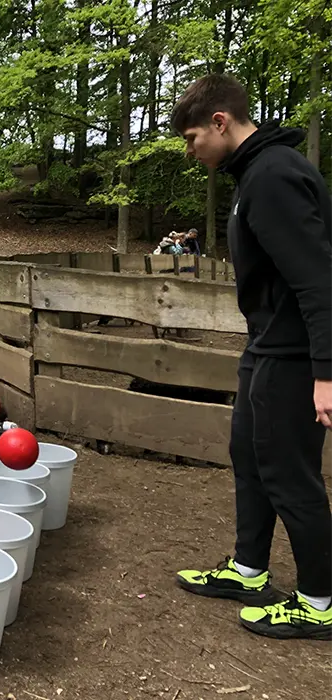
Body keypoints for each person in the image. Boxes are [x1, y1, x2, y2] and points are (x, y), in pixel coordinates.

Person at [171, 74, 332, 640]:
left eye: (193, 138)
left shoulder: (274, 178)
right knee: (250, 456)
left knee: (291, 476)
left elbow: (318, 282)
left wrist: (326, 375)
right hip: (265, 346)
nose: (191, 152)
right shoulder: (256, 175)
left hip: (293, 357)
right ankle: (248, 570)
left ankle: (319, 601)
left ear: (221, 122)